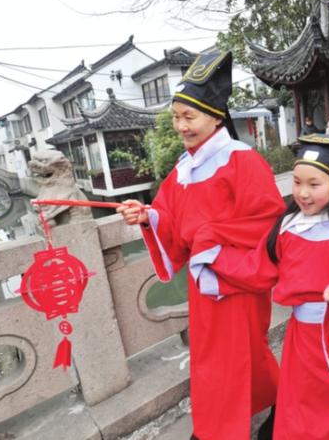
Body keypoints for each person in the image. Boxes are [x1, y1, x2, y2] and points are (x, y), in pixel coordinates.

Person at [117, 51, 285, 440]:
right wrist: (147, 217)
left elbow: (267, 221)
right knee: (219, 356)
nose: (180, 126)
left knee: (234, 354)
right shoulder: (183, 168)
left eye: (188, 117)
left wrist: (211, 238)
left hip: (236, 277)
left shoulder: (243, 161)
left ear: (215, 116)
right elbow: (169, 216)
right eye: (176, 117)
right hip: (202, 279)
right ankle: (274, 397)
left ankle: (218, 430)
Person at [198, 134, 329, 439]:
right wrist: (213, 258)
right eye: (296, 182)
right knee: (305, 412)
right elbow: (258, 270)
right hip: (304, 343)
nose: (303, 193)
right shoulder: (288, 227)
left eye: (314, 184)